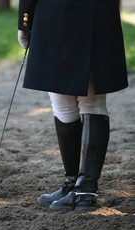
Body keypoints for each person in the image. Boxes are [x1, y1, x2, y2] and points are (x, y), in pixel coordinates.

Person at [17, 0, 128, 211]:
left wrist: (25, 20)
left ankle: (84, 189)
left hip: (66, 11)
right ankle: (74, 184)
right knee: (67, 99)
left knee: (88, 99)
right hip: (89, 11)